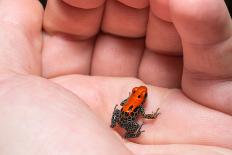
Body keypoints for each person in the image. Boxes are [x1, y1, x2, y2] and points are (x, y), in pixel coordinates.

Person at [0, 0, 231, 154]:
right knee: (133, 124)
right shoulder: (138, 108)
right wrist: (141, 126)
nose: (140, 93)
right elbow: (146, 115)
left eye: (141, 94)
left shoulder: (131, 104)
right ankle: (129, 130)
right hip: (125, 116)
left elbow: (136, 110)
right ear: (136, 96)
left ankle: (118, 125)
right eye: (139, 93)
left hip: (121, 114)